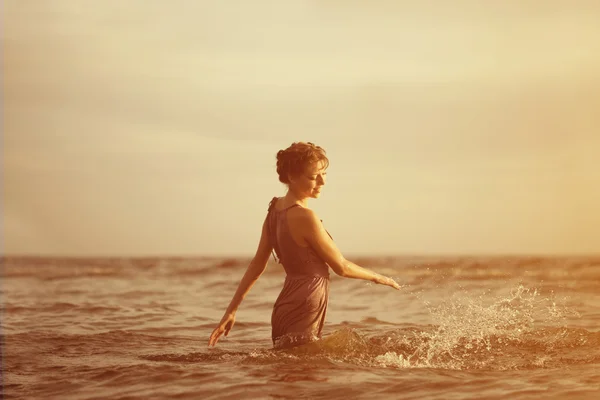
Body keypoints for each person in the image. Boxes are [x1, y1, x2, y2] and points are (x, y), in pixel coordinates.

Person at [207, 142, 400, 349]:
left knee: (287, 369)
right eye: (312, 177)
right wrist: (380, 278)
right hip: (307, 300)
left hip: (284, 304)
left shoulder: (274, 210)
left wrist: (231, 311)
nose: (322, 182)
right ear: (291, 177)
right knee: (306, 373)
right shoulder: (306, 217)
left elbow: (257, 264)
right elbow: (341, 267)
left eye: (324, 174)